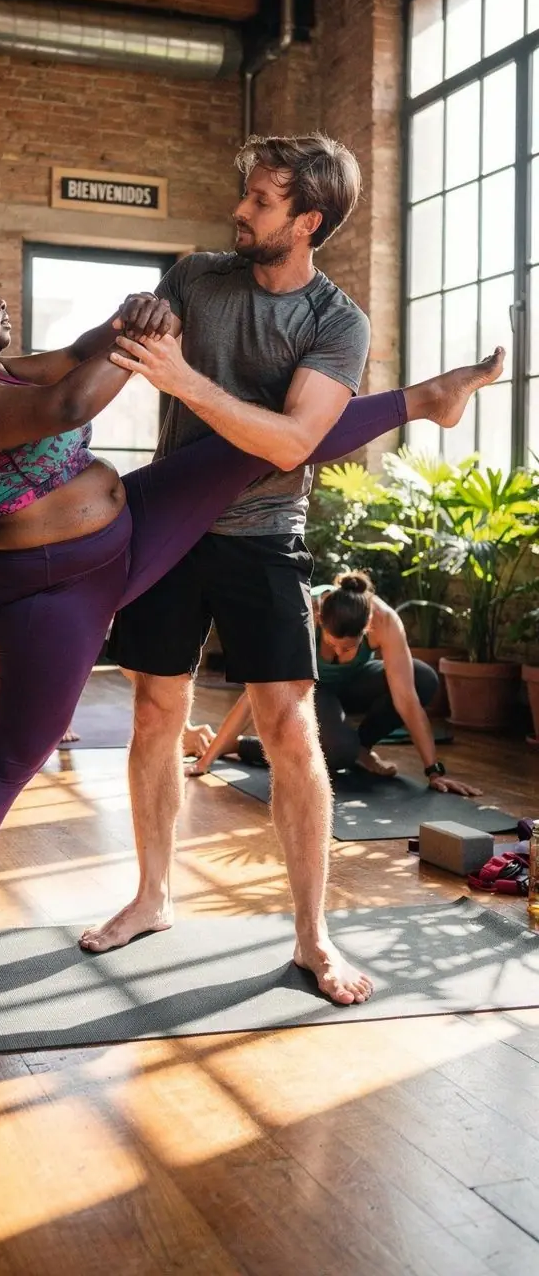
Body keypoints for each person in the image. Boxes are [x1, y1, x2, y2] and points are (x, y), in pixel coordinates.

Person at [0, 196, 500, 993]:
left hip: (128, 536)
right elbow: (66, 405)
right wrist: (150, 342)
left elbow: (77, 354)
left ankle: (425, 399)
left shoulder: (0, 368)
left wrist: (134, 317)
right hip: (54, 593)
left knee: (254, 448)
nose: (0, 301)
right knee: (16, 755)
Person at [77, 131, 504, 1006]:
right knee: (156, 711)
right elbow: (118, 354)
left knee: (288, 730)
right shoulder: (196, 277)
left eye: (263, 201)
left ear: (307, 220)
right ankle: (153, 896)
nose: (242, 208)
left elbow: (293, 443)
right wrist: (135, 320)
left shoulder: (334, 322)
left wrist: (185, 379)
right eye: (248, 193)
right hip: (170, 527)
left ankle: (314, 936)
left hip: (265, 533)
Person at [187, 570, 481, 797]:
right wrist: (206, 761)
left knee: (422, 678)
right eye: (332, 645)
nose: (338, 653)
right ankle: (240, 746)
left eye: (348, 649)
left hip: (355, 684)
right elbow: (253, 696)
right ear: (319, 619)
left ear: (367, 628)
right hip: (312, 690)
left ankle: (361, 748)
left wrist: (434, 772)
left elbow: (407, 699)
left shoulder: (385, 621)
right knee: (339, 752)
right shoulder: (301, 614)